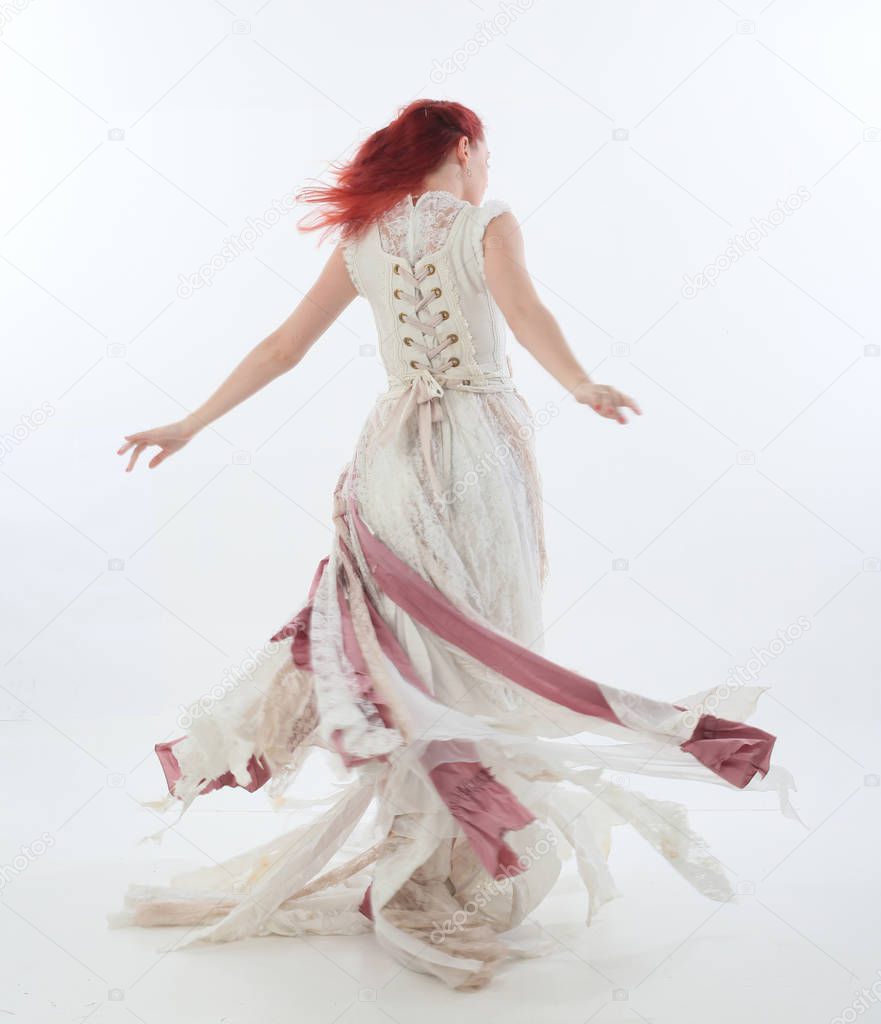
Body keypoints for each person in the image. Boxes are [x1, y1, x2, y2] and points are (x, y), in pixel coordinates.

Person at [113, 99, 798, 991]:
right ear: (465, 150)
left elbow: (284, 347)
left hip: (389, 458)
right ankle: (450, 871)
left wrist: (191, 423)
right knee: (483, 648)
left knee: (412, 656)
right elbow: (524, 314)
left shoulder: (361, 238)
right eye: (487, 156)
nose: (488, 172)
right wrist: (580, 382)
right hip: (476, 445)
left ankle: (427, 857)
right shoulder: (483, 221)